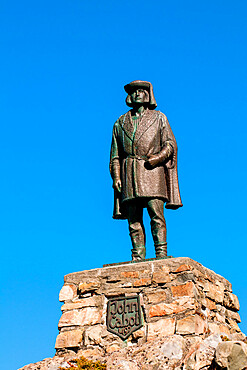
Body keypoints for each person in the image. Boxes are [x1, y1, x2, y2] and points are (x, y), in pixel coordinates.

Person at [110, 80, 182, 261]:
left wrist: (157, 158)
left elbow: (170, 145)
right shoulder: (120, 122)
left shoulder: (159, 118)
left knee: (156, 214)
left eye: (141, 91)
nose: (137, 94)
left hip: (152, 172)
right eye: (134, 91)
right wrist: (117, 177)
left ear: (148, 94)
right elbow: (115, 156)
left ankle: (161, 253)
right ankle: (137, 255)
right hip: (129, 174)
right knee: (133, 219)